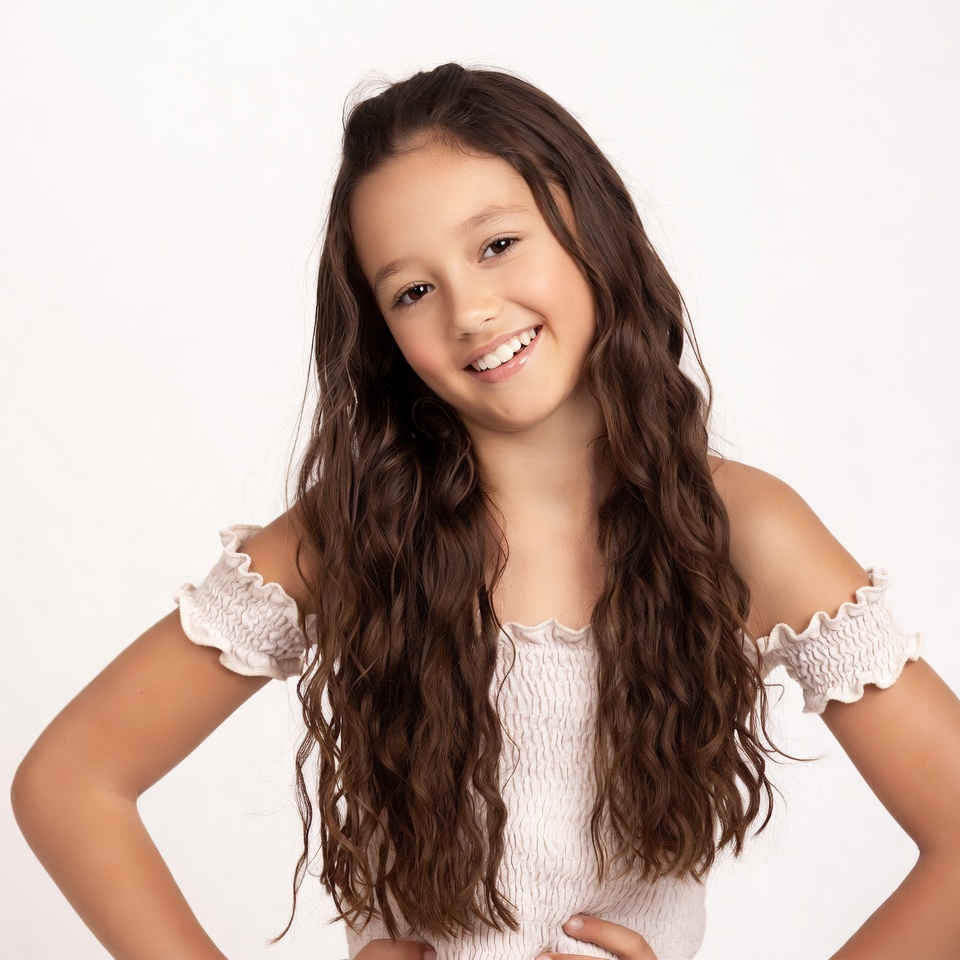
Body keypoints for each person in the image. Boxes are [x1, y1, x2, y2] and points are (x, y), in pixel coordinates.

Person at [10, 62, 960, 960]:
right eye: (414, 290)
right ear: (385, 336)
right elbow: (69, 784)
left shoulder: (742, 527)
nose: (469, 311)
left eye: (498, 244)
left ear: (589, 226)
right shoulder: (355, 535)